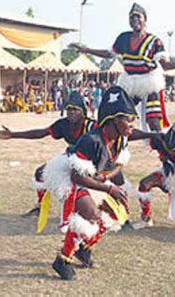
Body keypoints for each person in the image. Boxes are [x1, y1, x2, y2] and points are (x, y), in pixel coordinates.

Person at [42, 86, 157, 280]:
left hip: (93, 179)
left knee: (116, 214)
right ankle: (63, 259)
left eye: (132, 120)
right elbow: (77, 177)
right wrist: (109, 188)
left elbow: (120, 163)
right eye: (128, 119)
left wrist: (105, 177)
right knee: (90, 214)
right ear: (113, 120)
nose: (132, 124)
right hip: (70, 178)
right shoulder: (92, 140)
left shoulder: (121, 139)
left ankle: (84, 249)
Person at [73, 3, 175, 132]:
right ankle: (115, 148)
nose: (135, 20)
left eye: (138, 17)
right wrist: (88, 50)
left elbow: (166, 66)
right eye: (132, 17)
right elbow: (109, 54)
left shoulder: (154, 41)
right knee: (118, 118)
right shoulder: (123, 38)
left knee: (154, 122)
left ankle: (163, 148)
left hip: (149, 85)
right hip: (129, 84)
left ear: (145, 19)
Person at [0, 91, 98, 216]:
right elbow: (42, 133)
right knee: (40, 173)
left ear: (82, 112)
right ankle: (40, 207)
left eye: (75, 109)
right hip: (71, 158)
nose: (71, 112)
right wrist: (13, 134)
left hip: (92, 162)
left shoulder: (92, 126)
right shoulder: (63, 124)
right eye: (68, 109)